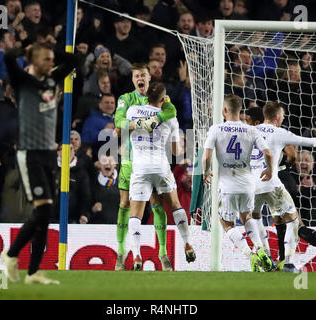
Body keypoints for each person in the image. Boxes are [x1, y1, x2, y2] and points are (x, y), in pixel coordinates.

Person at [0, 42, 80, 285]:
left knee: (44, 214)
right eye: (45, 60)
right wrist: (28, 49)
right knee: (44, 210)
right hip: (30, 153)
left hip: (48, 153)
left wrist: (49, 51)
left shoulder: (50, 80)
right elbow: (8, 59)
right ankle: (11, 255)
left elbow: (73, 60)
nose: (50, 63)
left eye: (51, 59)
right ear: (34, 61)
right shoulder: (23, 81)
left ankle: (33, 272)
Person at [248, 101, 316, 272]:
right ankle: (289, 262)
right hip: (275, 183)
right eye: (283, 115)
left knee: (259, 220)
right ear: (277, 116)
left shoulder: (250, 132)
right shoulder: (279, 132)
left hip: (251, 185)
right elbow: (304, 142)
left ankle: (268, 257)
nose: (284, 117)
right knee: (293, 224)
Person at [113, 62, 180, 271]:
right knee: (125, 204)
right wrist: (140, 124)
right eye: (136, 76)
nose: (140, 79)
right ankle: (122, 252)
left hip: (152, 161)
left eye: (143, 75)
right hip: (129, 160)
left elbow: (172, 112)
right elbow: (118, 121)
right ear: (133, 80)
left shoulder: (162, 99)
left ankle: (163, 254)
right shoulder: (126, 99)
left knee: (157, 204)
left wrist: (157, 117)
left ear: (149, 78)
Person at [202, 94, 274, 272]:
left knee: (227, 224)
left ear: (224, 110)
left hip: (228, 185)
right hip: (248, 184)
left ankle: (251, 256)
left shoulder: (216, 129)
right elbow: (269, 154)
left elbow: (206, 156)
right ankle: (260, 248)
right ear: (240, 111)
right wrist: (270, 170)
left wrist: (206, 172)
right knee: (247, 217)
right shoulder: (252, 130)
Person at [126, 82, 192, 271]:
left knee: (136, 214)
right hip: (161, 167)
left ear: (146, 95)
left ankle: (137, 254)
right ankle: (187, 243)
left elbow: (124, 125)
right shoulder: (170, 118)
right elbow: (176, 151)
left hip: (140, 168)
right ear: (164, 99)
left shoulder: (132, 111)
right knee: (175, 205)